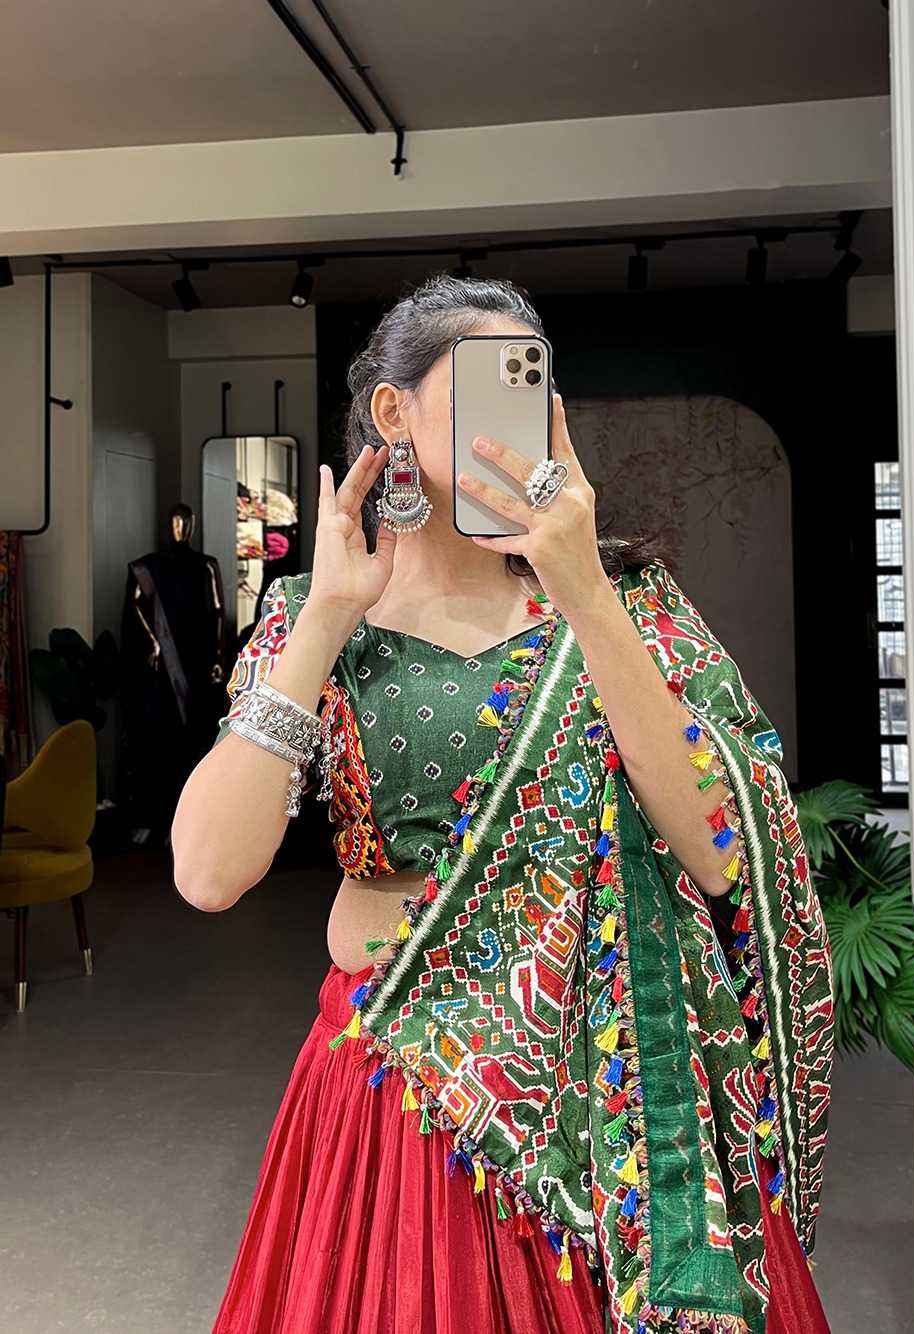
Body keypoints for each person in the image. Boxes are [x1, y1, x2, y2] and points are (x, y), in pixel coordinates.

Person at [171, 275, 833, 1334]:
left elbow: (719, 851)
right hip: (403, 1092)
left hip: (617, 1095)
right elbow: (208, 873)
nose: (514, 416)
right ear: (392, 413)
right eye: (485, 384)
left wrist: (582, 591)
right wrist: (328, 617)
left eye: (532, 386)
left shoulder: (628, 604)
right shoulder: (312, 617)